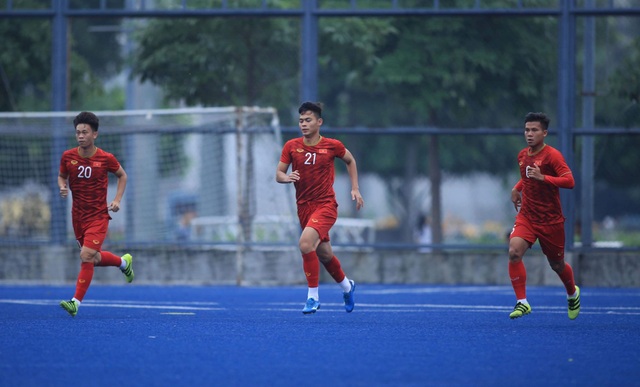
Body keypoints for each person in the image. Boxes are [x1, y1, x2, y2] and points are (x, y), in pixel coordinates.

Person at [276, 102, 364, 314]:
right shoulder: (291, 146)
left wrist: (355, 188)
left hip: (325, 205)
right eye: (301, 121)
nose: (303, 124)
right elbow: (278, 173)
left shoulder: (332, 145)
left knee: (305, 244)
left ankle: (312, 298)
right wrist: (287, 178)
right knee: (324, 254)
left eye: (308, 120)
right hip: (304, 208)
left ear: (319, 122)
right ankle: (347, 286)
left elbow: (350, 160)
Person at [58, 111, 134, 317]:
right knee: (93, 258)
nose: (81, 136)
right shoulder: (68, 156)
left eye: (85, 132)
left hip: (98, 216)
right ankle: (123, 263)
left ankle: (75, 303)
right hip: (78, 217)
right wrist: (62, 186)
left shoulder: (105, 158)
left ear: (95, 135)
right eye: (78, 132)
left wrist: (117, 200)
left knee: (86, 256)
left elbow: (123, 176)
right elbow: (61, 175)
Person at [508, 112, 580, 320]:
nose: (529, 134)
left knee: (557, 265)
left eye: (534, 130)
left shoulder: (552, 156)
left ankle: (572, 293)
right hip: (528, 217)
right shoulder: (522, 155)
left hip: (551, 221)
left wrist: (544, 177)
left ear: (544, 133)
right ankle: (522, 302)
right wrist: (516, 188)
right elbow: (527, 178)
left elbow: (569, 181)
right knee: (514, 252)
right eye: (527, 130)